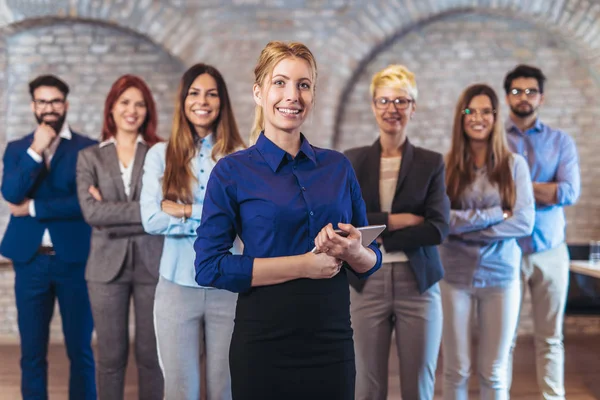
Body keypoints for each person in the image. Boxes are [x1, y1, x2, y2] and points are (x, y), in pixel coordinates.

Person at [194, 41, 383, 400]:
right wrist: (303, 266)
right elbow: (209, 267)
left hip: (332, 342)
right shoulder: (232, 172)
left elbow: (371, 260)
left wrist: (355, 251)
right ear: (259, 92)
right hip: (263, 342)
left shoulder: (338, 167)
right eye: (280, 82)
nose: (292, 95)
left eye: (303, 84)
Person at [140, 63, 245, 400]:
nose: (203, 101)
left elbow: (241, 222)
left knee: (225, 389)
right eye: (195, 93)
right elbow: (151, 220)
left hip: (228, 287)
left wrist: (184, 211)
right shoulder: (159, 154)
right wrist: (214, 219)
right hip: (175, 286)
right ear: (183, 100)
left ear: (222, 102)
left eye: (212, 94)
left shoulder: (240, 158)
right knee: (180, 390)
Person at [344, 64, 449, 400]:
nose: (392, 109)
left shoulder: (431, 163)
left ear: (413, 107)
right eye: (384, 101)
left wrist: (378, 227)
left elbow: (437, 229)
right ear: (374, 106)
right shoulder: (353, 161)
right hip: (365, 282)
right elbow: (348, 223)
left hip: (417, 282)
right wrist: (403, 218)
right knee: (366, 386)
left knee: (418, 387)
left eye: (401, 101)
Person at [0, 75, 96, 399]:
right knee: (31, 354)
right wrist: (35, 149)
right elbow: (12, 194)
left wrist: (35, 207)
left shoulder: (87, 148)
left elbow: (87, 203)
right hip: (30, 262)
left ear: (65, 105)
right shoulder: (17, 149)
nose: (49, 108)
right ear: (33, 106)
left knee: (80, 350)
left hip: (74, 261)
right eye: (42, 101)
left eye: (55, 101)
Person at [440, 83, 535, 400]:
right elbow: (443, 222)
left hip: (501, 277)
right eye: (470, 111)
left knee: (494, 371)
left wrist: (464, 226)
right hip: (454, 278)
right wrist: (496, 214)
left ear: (495, 117)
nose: (477, 118)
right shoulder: (446, 166)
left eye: (485, 111)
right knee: (456, 370)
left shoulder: (513, 165)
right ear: (461, 117)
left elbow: (523, 221)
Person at [76, 75, 164, 400]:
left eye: (140, 104)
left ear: (148, 110)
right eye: (125, 102)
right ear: (111, 108)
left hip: (153, 265)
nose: (132, 110)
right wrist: (146, 213)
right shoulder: (90, 157)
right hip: (104, 270)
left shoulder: (160, 152)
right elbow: (92, 214)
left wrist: (111, 216)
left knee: (151, 357)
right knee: (111, 358)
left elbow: (165, 213)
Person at [504, 65, 581, 400]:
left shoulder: (560, 141)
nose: (524, 97)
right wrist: (540, 189)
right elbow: (491, 193)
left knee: (550, 338)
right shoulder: (495, 140)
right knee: (503, 338)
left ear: (541, 97)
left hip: (550, 250)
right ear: (507, 96)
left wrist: (519, 189)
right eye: (517, 91)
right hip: (506, 250)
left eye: (531, 91)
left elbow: (568, 192)